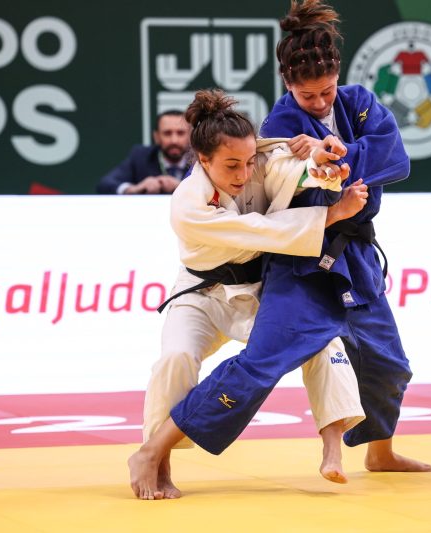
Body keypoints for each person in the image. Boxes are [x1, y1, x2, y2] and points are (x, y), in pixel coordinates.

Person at [129, 0, 431, 497]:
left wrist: (332, 155)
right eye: (307, 94)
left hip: (352, 253)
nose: (318, 102)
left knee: (388, 362)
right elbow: (281, 189)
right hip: (296, 261)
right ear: (288, 85)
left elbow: (395, 158)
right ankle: (154, 449)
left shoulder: (357, 102)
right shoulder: (276, 125)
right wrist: (324, 172)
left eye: (326, 91)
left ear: (339, 76)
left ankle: (379, 451)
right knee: (262, 361)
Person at [132, 88, 369, 500]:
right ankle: (155, 457)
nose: (244, 173)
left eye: (247, 161)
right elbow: (257, 231)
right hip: (202, 295)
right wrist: (330, 214)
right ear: (203, 160)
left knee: (319, 338)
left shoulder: (257, 160)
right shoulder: (188, 204)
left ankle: (332, 449)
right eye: (231, 165)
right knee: (176, 357)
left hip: (258, 290)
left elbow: (286, 169)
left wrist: (323, 167)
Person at [97, 110, 191, 194]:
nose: (174, 140)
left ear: (190, 136)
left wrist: (181, 186)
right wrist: (134, 189)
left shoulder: (197, 161)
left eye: (180, 133)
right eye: (167, 133)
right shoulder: (140, 157)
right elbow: (105, 184)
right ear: (156, 137)